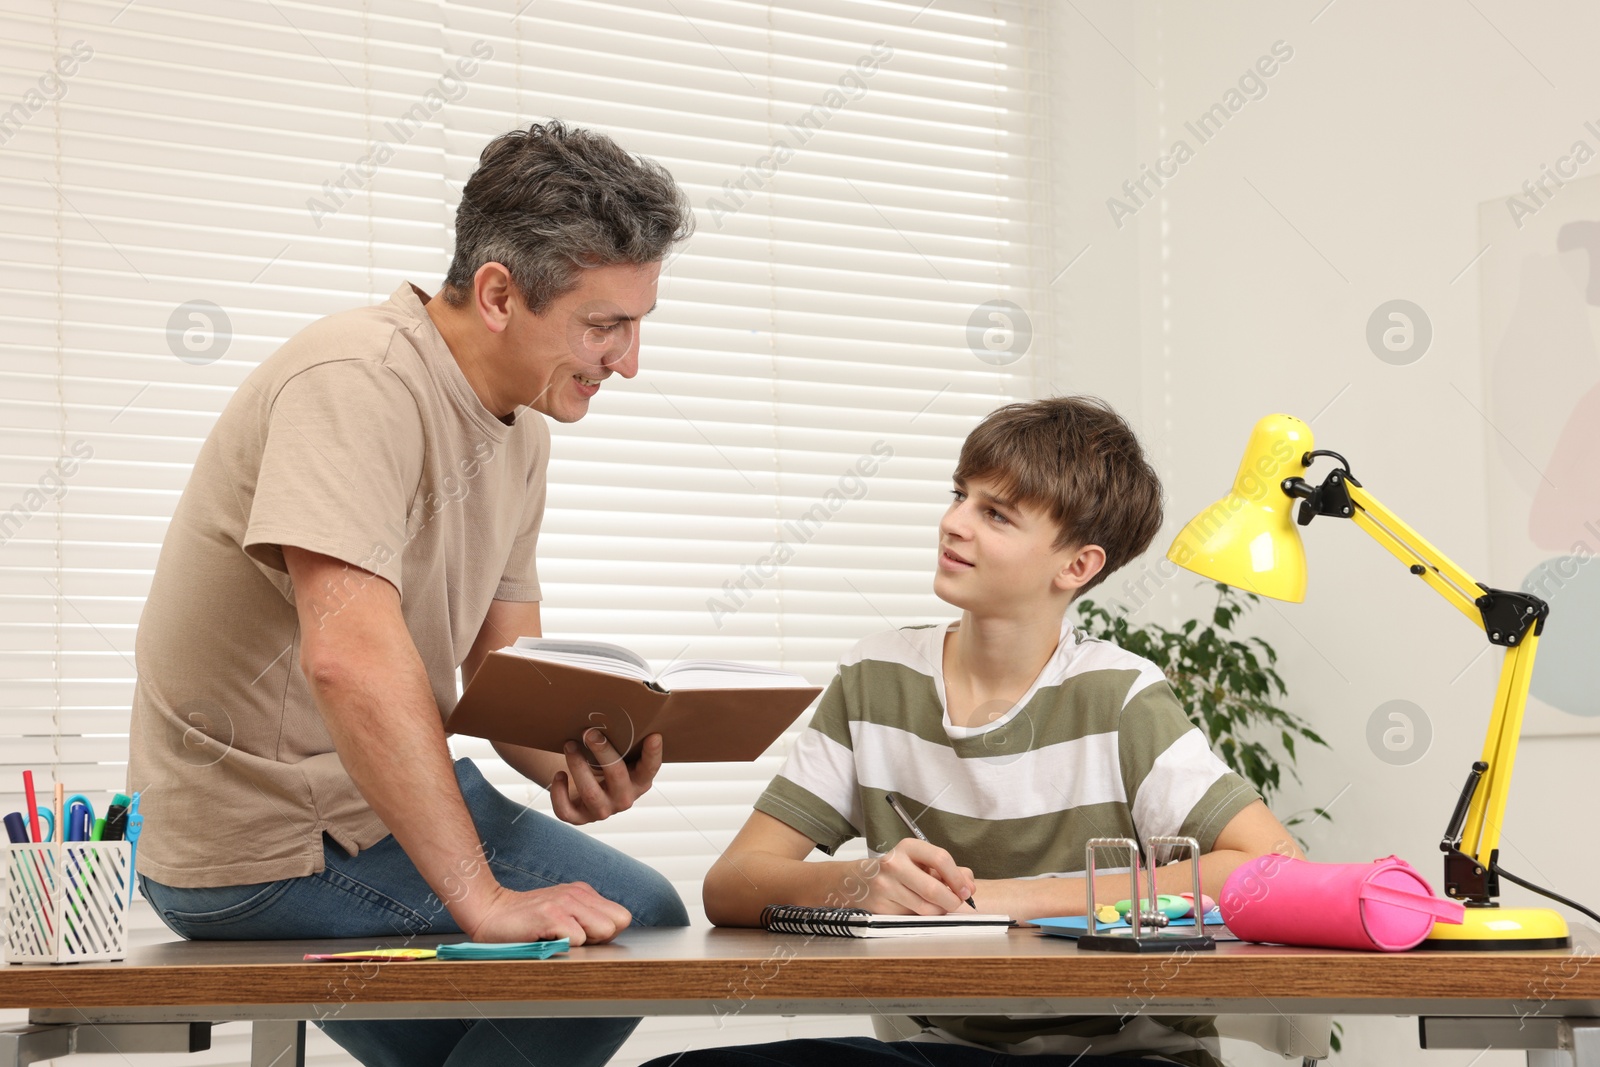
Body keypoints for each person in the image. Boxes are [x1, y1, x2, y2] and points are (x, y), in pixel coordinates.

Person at [126, 121, 694, 1067]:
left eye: (637, 325)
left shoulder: (524, 424)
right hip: (266, 838)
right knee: (585, 961)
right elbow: (348, 659)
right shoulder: (355, 380)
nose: (628, 361)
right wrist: (481, 896)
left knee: (637, 922)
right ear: (501, 293)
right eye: (606, 326)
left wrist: (571, 759)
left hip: (379, 807)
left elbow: (506, 672)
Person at [645, 397, 1303, 1067]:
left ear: (1077, 566)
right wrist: (861, 882)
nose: (953, 523)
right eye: (961, 495)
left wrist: (998, 901)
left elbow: (1272, 866)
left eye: (995, 514)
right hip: (943, 1053)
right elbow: (731, 883)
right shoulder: (876, 680)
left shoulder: (1121, 695)